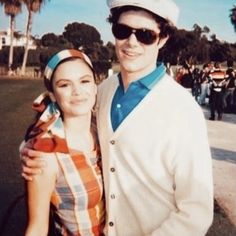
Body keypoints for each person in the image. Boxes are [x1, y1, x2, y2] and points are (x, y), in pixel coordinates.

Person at [21, 0, 213, 235]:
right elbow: (62, 118)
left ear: (163, 39)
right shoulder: (103, 91)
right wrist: (32, 148)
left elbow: (196, 212)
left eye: (145, 35)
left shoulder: (183, 110)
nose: (131, 42)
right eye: (123, 31)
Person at [22, 49, 105, 236]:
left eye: (84, 81)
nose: (77, 91)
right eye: (65, 85)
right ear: (52, 95)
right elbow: (37, 228)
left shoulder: (104, 133)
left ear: (95, 86)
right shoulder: (45, 155)